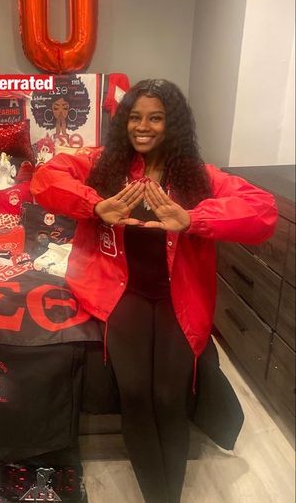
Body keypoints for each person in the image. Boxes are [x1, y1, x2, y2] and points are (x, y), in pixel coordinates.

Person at [30, 79, 277, 503]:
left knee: (168, 395)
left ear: (172, 124)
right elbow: (46, 178)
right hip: (120, 293)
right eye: (135, 117)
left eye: (155, 117)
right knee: (137, 394)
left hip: (178, 298)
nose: (142, 127)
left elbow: (263, 211)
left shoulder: (199, 178)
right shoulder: (103, 166)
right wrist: (94, 205)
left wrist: (195, 219)